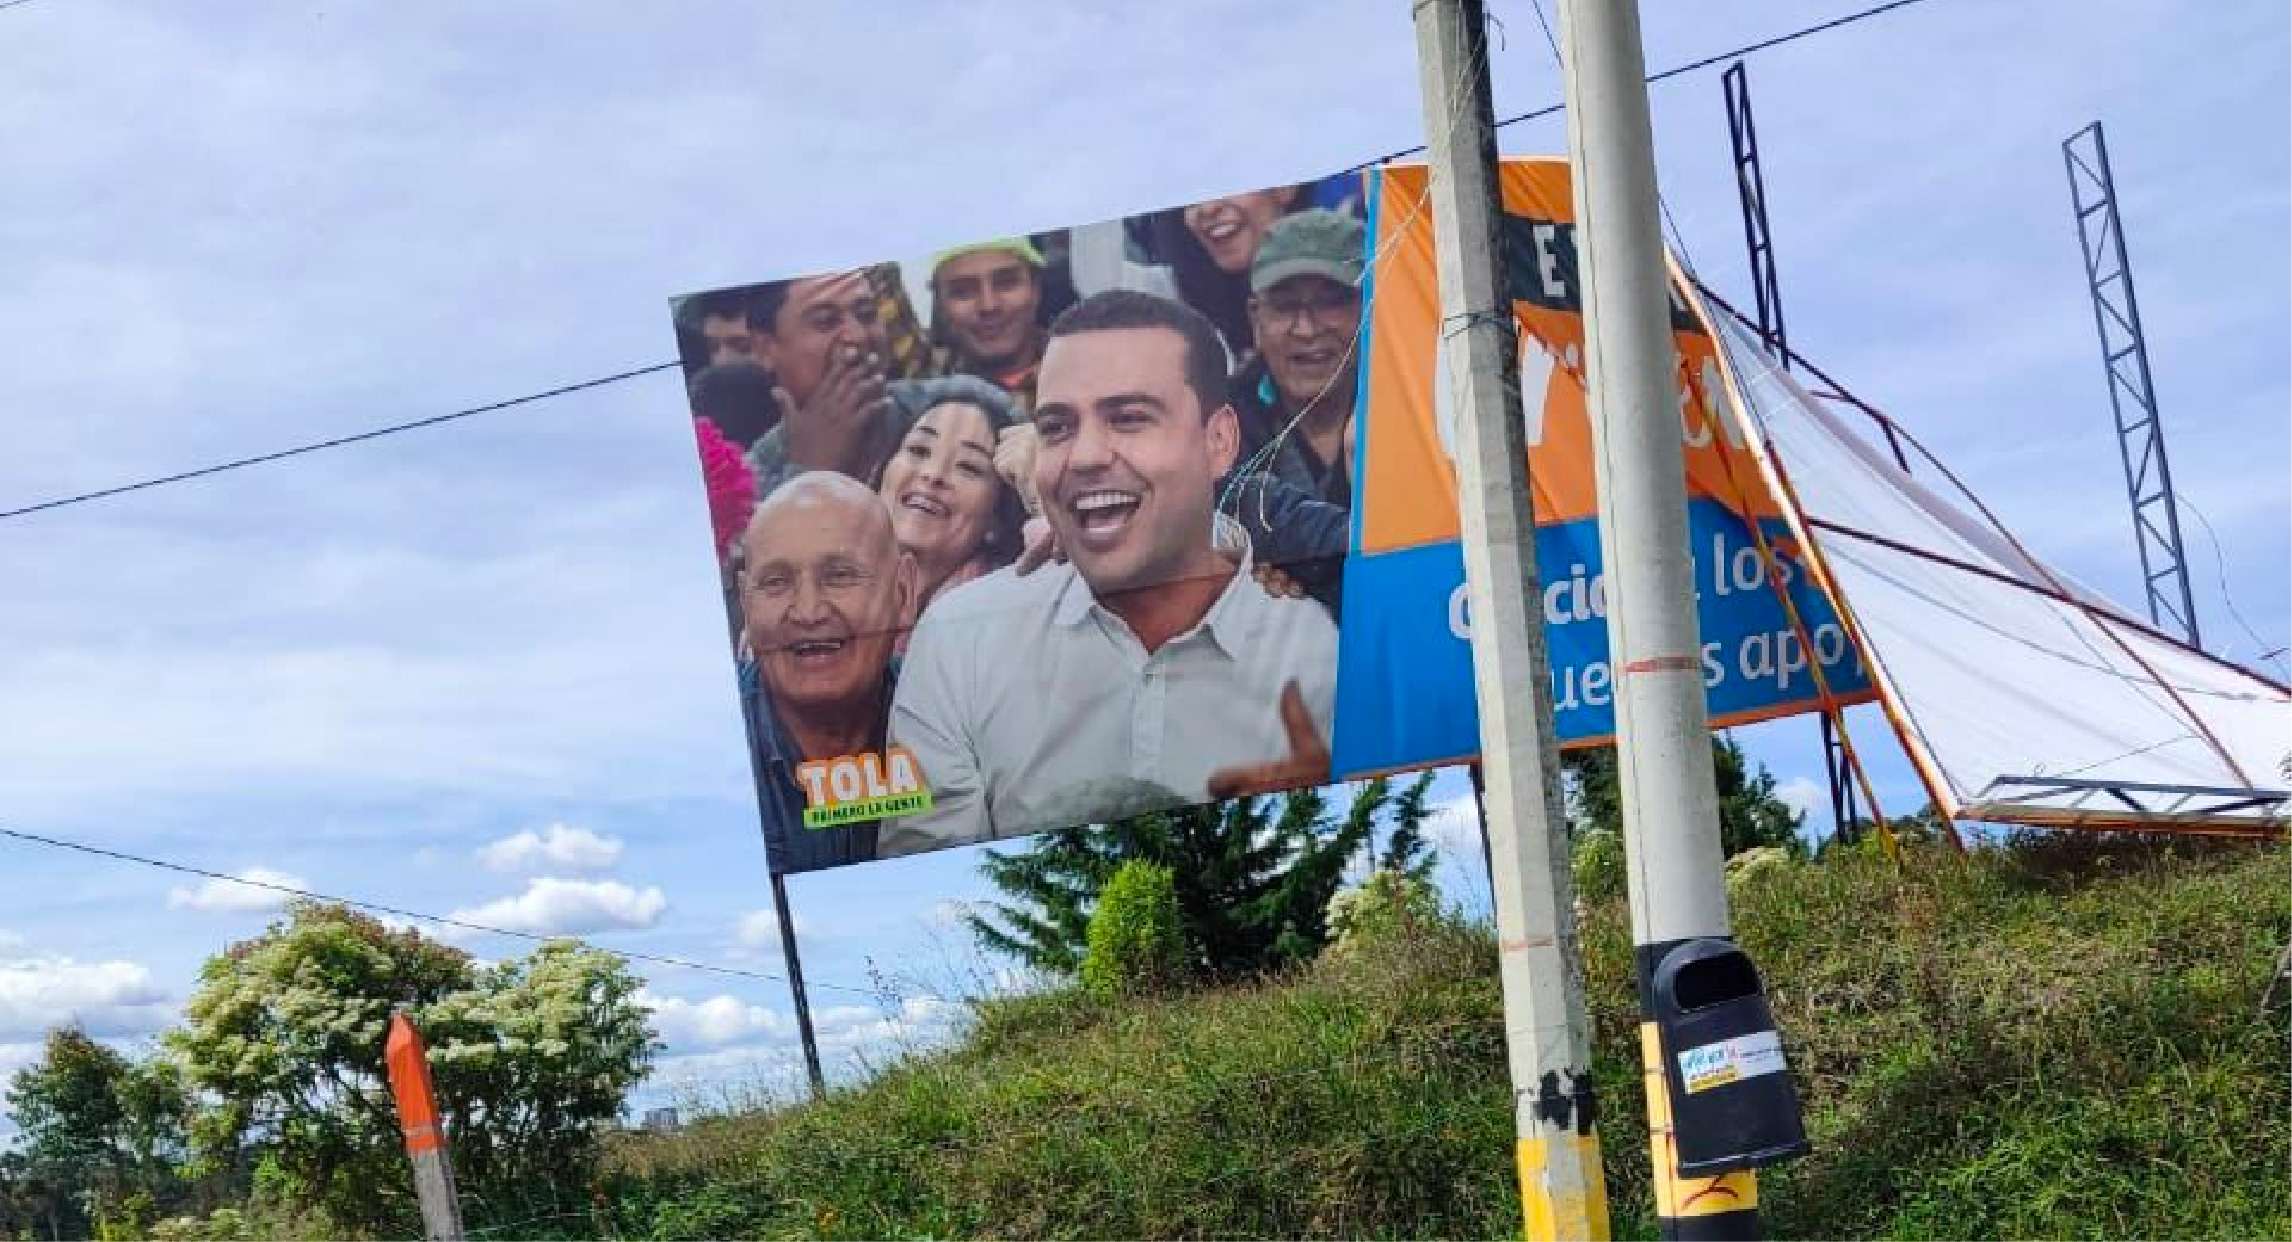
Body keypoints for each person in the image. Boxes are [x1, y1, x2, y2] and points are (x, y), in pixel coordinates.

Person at [884, 290, 1340, 855]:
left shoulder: (1321, 647)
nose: (1085, 456)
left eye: (1128, 419)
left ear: (1219, 441)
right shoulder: (960, 640)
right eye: (1056, 427)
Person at [734, 471, 917, 872]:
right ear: (746, 603)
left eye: (839, 575)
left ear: (903, 591)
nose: (808, 612)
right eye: (776, 582)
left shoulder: (953, 715)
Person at [1232, 209, 1366, 509]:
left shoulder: (1413, 408)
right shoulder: (1222, 421)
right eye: (1285, 306)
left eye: (1330, 303)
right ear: (1256, 320)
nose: (1307, 329)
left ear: (1371, 306)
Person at [740, 269, 903, 496]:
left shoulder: (941, 405)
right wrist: (812, 476)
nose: (858, 336)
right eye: (826, 321)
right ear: (764, 349)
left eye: (866, 315)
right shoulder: (747, 485)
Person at [874, 376, 1029, 610]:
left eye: (968, 466)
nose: (933, 474)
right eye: (919, 450)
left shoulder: (1008, 611)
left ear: (996, 520)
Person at [929, 240, 1050, 405]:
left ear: (1036, 289)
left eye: (1006, 283)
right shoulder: (922, 397)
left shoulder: (1081, 365)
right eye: (963, 291)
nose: (989, 305)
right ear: (940, 305)